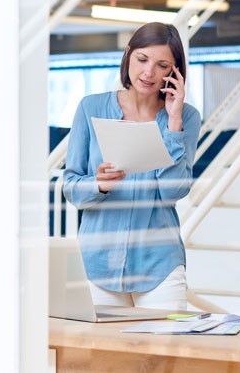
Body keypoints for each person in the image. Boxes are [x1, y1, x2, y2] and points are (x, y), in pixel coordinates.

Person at [63, 22, 200, 311]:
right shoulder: (91, 108)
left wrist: (173, 124)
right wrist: (98, 184)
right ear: (128, 56)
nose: (149, 72)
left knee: (165, 354)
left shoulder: (186, 117)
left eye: (162, 65)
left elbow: (172, 193)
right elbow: (71, 188)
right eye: (142, 59)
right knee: (101, 356)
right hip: (97, 265)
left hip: (159, 266)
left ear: (174, 73)